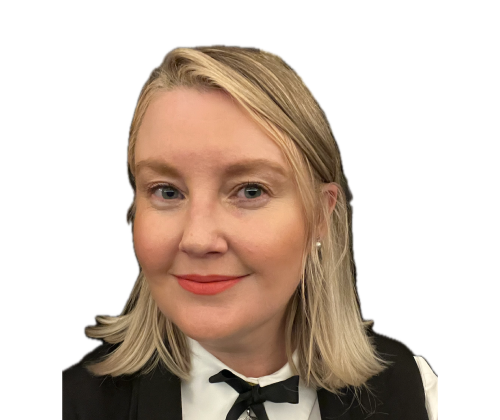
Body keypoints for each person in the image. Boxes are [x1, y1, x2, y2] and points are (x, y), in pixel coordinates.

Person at [62, 44, 438, 420]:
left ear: (321, 214)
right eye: (167, 191)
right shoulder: (75, 402)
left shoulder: (415, 391)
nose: (198, 239)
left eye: (251, 191)